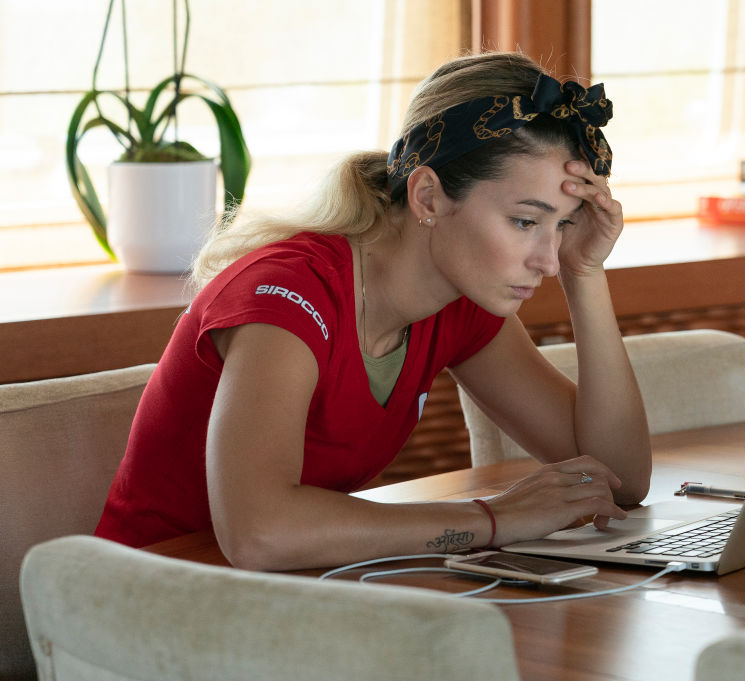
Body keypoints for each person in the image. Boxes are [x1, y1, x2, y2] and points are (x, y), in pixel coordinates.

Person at [95, 51, 652, 571]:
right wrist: (492, 519)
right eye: (526, 221)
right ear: (428, 196)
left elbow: (618, 481)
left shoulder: (463, 303)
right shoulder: (288, 294)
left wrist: (586, 273)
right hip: (147, 606)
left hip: (293, 599)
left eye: (564, 224)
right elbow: (258, 533)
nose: (548, 261)